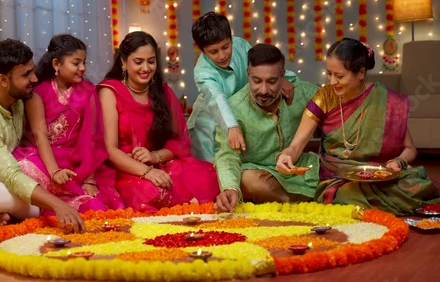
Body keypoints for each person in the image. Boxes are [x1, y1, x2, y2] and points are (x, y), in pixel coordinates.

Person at [276, 38, 440, 215]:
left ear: (361, 73)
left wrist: (398, 162)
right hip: (339, 177)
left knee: (420, 187)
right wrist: (286, 156)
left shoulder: (386, 100)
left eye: (339, 76)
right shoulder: (324, 97)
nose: (332, 82)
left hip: (381, 175)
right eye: (329, 74)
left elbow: (410, 149)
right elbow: (296, 146)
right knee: (348, 197)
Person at [0, 39, 85, 231]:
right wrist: (58, 205)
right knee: (7, 195)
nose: (34, 79)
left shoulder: (18, 97)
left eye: (32, 70)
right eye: (27, 75)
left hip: (0, 176)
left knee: (36, 190)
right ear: (3, 80)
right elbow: (10, 173)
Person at [97, 31, 220, 213]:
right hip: (124, 168)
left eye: (151, 61)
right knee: (152, 194)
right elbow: (110, 150)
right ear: (123, 61)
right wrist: (147, 172)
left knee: (208, 176)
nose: (146, 68)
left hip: (158, 163)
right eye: (138, 62)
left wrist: (154, 157)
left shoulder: (162, 92)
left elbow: (179, 143)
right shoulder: (110, 92)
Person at [12, 34, 124, 215]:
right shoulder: (38, 92)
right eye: (76, 63)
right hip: (42, 158)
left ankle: (65, 204)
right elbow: (40, 135)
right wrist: (54, 171)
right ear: (57, 64)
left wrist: (89, 179)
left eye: (84, 62)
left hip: (75, 162)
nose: (82, 68)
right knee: (22, 173)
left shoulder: (88, 91)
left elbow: (91, 138)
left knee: (95, 207)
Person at [215, 44, 320, 213]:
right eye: (257, 81)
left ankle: (309, 198)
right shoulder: (234, 109)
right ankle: (308, 203)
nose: (263, 90)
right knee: (247, 180)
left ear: (282, 76)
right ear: (248, 74)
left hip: (301, 169)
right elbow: (227, 156)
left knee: (332, 172)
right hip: (262, 175)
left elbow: (332, 100)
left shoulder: (300, 93)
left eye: (272, 81)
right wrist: (230, 188)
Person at [187, 11, 297, 162]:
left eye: (225, 47)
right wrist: (231, 126)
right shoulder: (202, 73)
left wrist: (282, 79)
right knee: (216, 168)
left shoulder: (240, 45)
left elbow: (259, 67)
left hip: (240, 115)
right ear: (203, 51)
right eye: (213, 52)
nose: (222, 55)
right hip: (210, 122)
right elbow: (217, 100)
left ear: (231, 39)